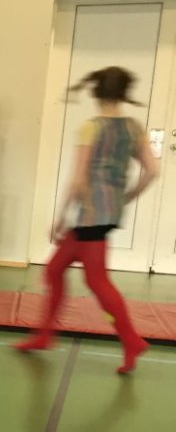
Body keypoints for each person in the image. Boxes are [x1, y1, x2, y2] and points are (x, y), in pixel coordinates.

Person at [16, 66, 158, 374]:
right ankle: (44, 336)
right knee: (54, 270)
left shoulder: (91, 128)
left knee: (97, 281)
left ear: (96, 93)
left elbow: (78, 179)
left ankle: (132, 340)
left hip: (90, 215)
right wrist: (128, 195)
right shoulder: (133, 128)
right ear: (123, 93)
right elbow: (153, 170)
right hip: (106, 214)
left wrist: (61, 216)